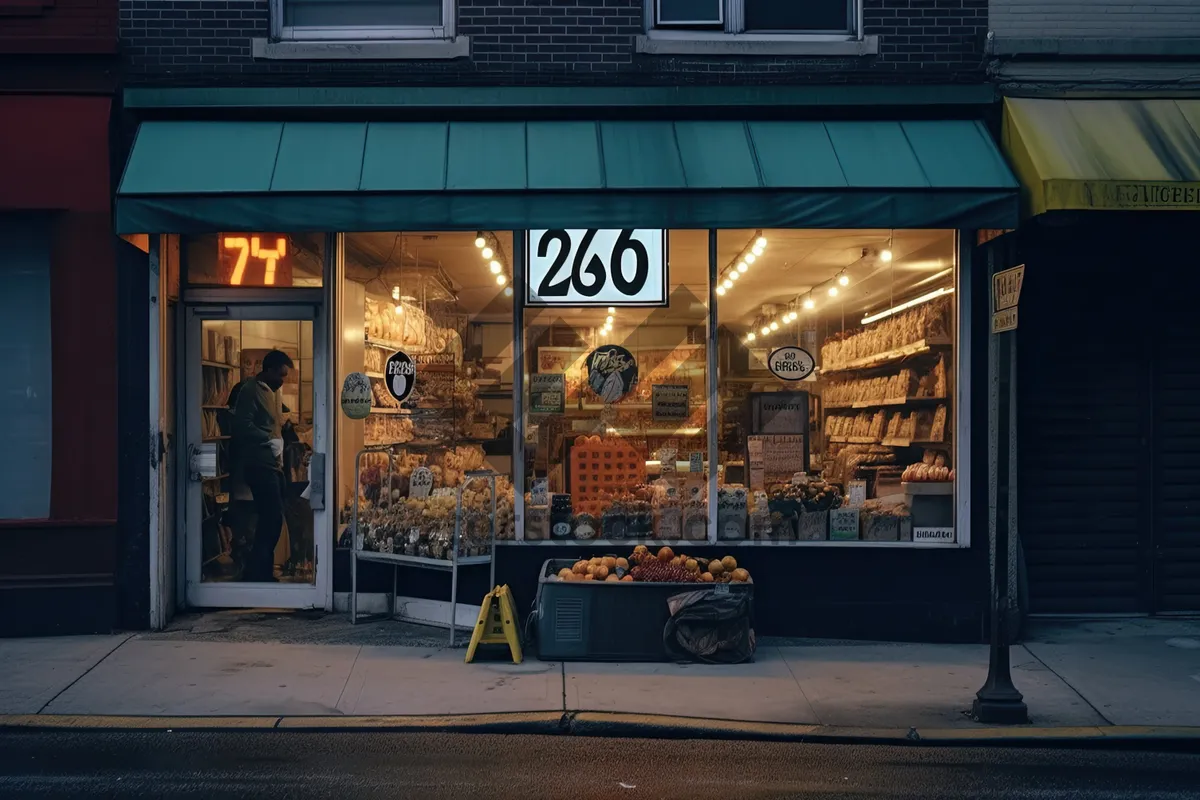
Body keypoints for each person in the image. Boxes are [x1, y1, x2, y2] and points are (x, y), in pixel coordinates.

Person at [231, 349, 293, 582]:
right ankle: (257, 571)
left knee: (273, 517)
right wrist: (266, 438)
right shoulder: (250, 390)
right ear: (267, 371)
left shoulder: (272, 393)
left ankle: (260, 570)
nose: (282, 380)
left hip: (272, 464)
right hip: (259, 464)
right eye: (280, 375)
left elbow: (271, 421)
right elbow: (241, 425)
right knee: (272, 517)